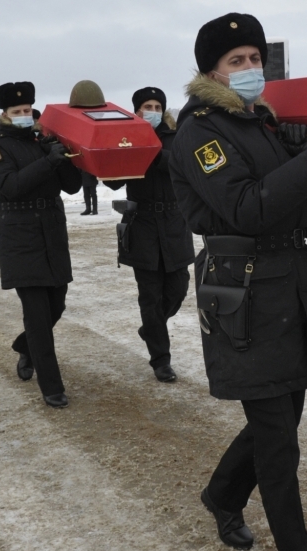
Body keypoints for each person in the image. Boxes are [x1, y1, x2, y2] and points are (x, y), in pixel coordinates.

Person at [169, 13, 307, 551]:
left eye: (256, 59)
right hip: (243, 292)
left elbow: (306, 218)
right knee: (280, 442)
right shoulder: (201, 133)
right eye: (237, 61)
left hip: (285, 285)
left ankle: (222, 494)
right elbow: (250, 210)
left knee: (283, 416)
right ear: (211, 70)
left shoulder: (260, 125)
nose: (251, 69)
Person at [0, 81, 82, 409]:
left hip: (52, 234)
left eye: (28, 110)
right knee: (38, 314)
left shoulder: (43, 142)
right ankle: (51, 386)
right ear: (5, 114)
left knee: (57, 305)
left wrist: (65, 155)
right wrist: (49, 161)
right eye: (17, 111)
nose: (25, 115)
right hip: (20, 237)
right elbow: (9, 186)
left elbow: (72, 187)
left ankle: (26, 347)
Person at [104, 86, 194, 382]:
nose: (152, 111)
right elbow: (113, 182)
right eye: (147, 106)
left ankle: (151, 328)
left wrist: (152, 153)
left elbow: (182, 166)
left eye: (157, 106)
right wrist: (117, 153)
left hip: (173, 222)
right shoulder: (128, 139)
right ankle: (161, 359)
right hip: (142, 224)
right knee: (150, 297)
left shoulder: (175, 136)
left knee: (178, 288)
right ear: (136, 110)